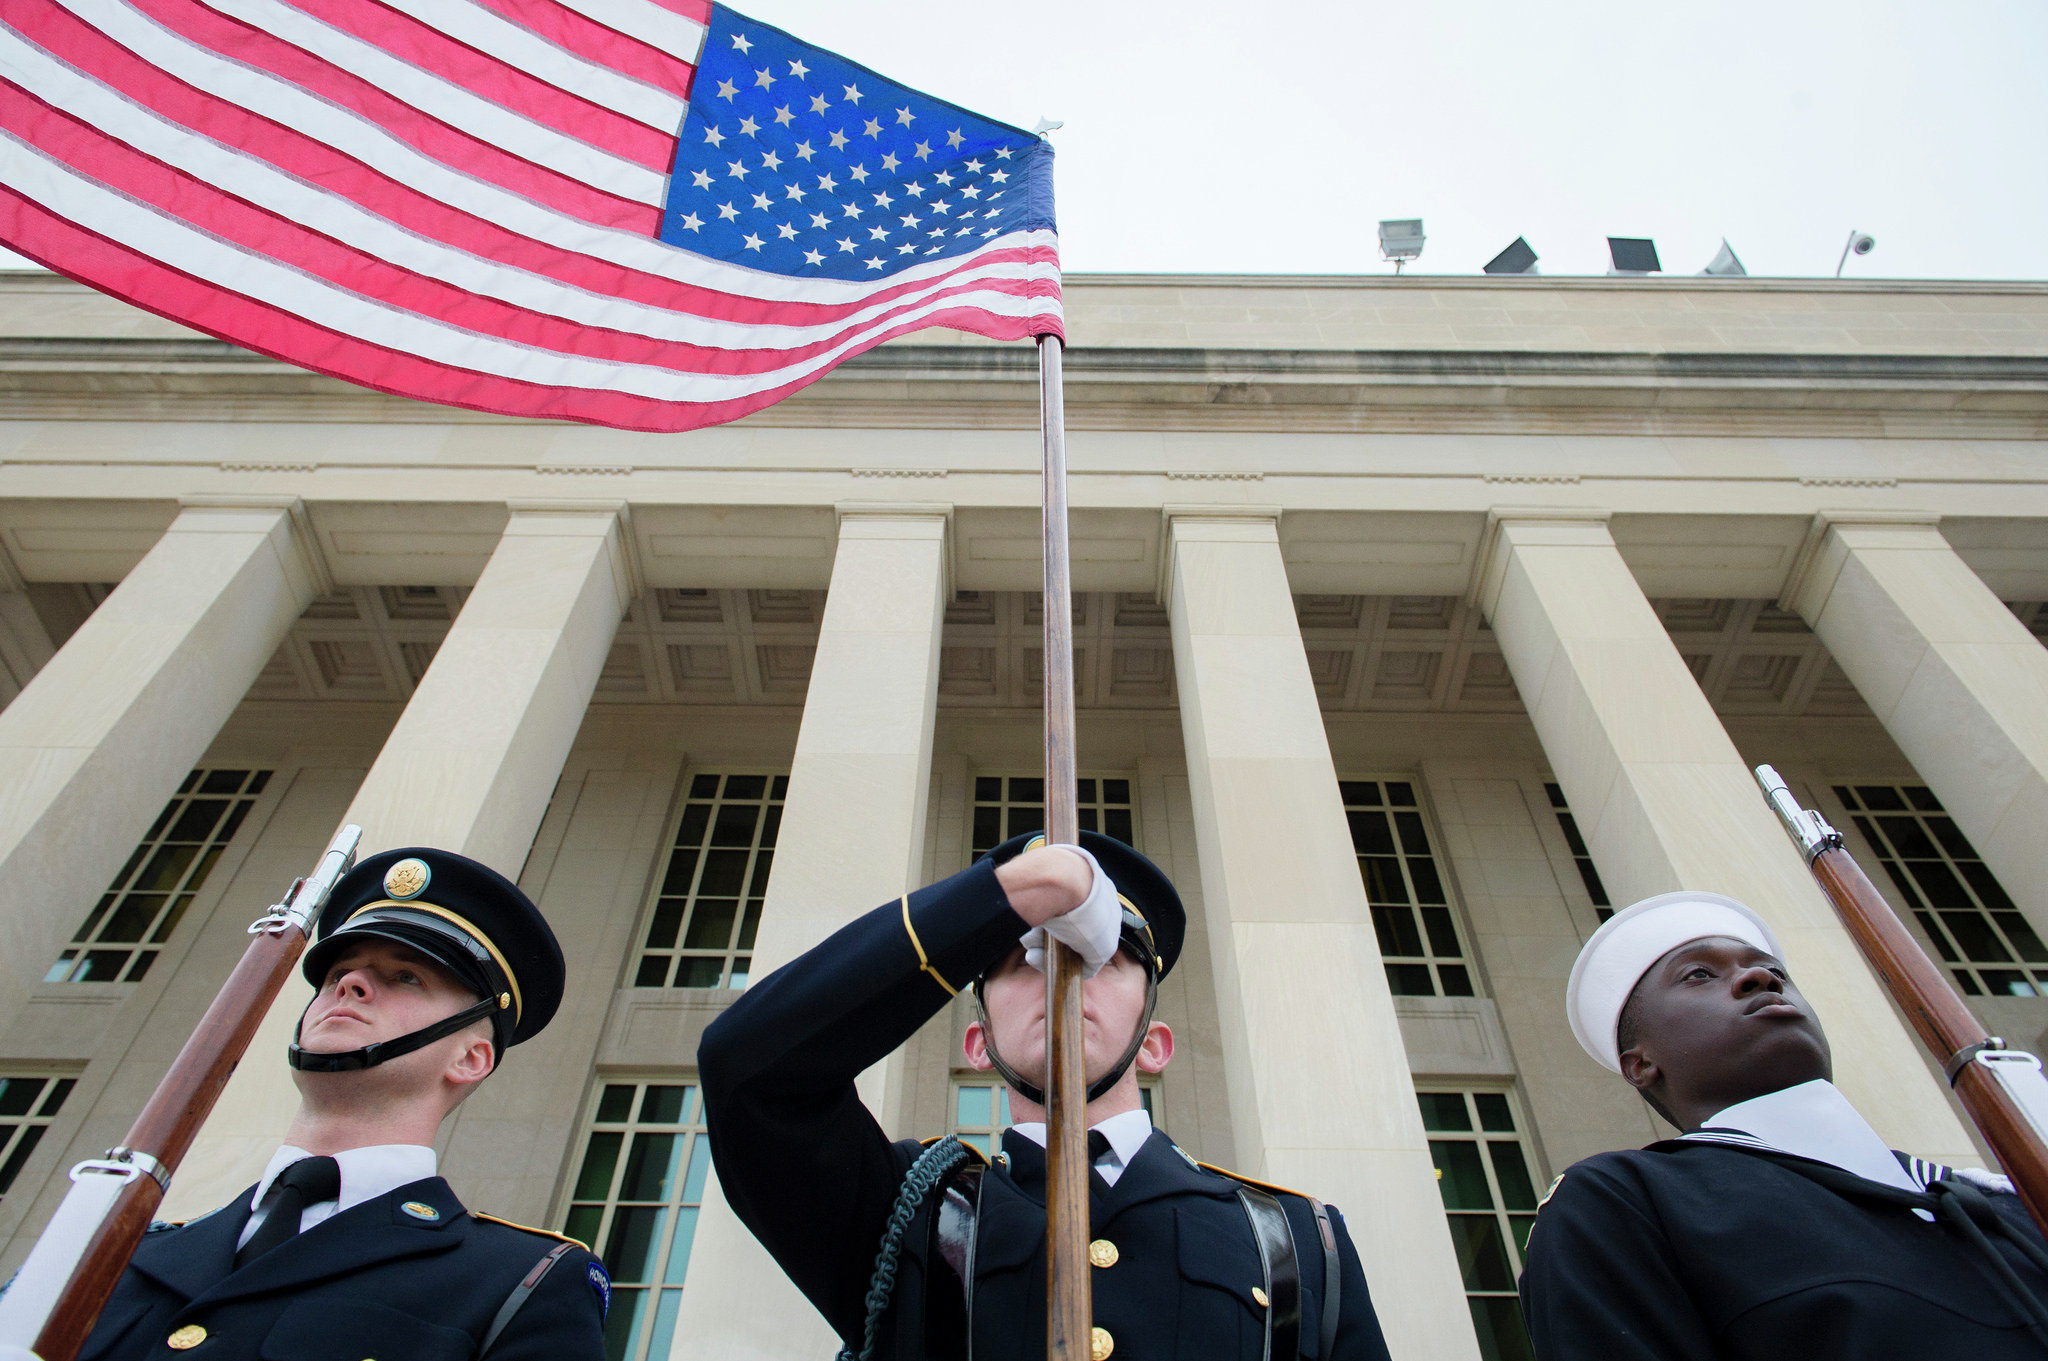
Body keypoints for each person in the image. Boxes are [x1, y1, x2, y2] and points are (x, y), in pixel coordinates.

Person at [700, 829, 1393, 1361]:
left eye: (1104, 954)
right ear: (979, 1044)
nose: (1063, 971)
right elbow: (747, 1070)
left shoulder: (1299, 1240)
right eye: (1021, 956)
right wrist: (1008, 897)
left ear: (1156, 1044)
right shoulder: (901, 1215)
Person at [80, 848, 608, 1361]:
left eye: (406, 977)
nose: (350, 983)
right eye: (337, 975)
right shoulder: (123, 1252)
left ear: (471, 1057)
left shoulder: (521, 1279)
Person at [1519, 889, 2048, 1360]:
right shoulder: (1625, 1203)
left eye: (1775, 971)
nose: (1761, 977)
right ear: (1640, 1064)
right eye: (1699, 974)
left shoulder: (2006, 1200)